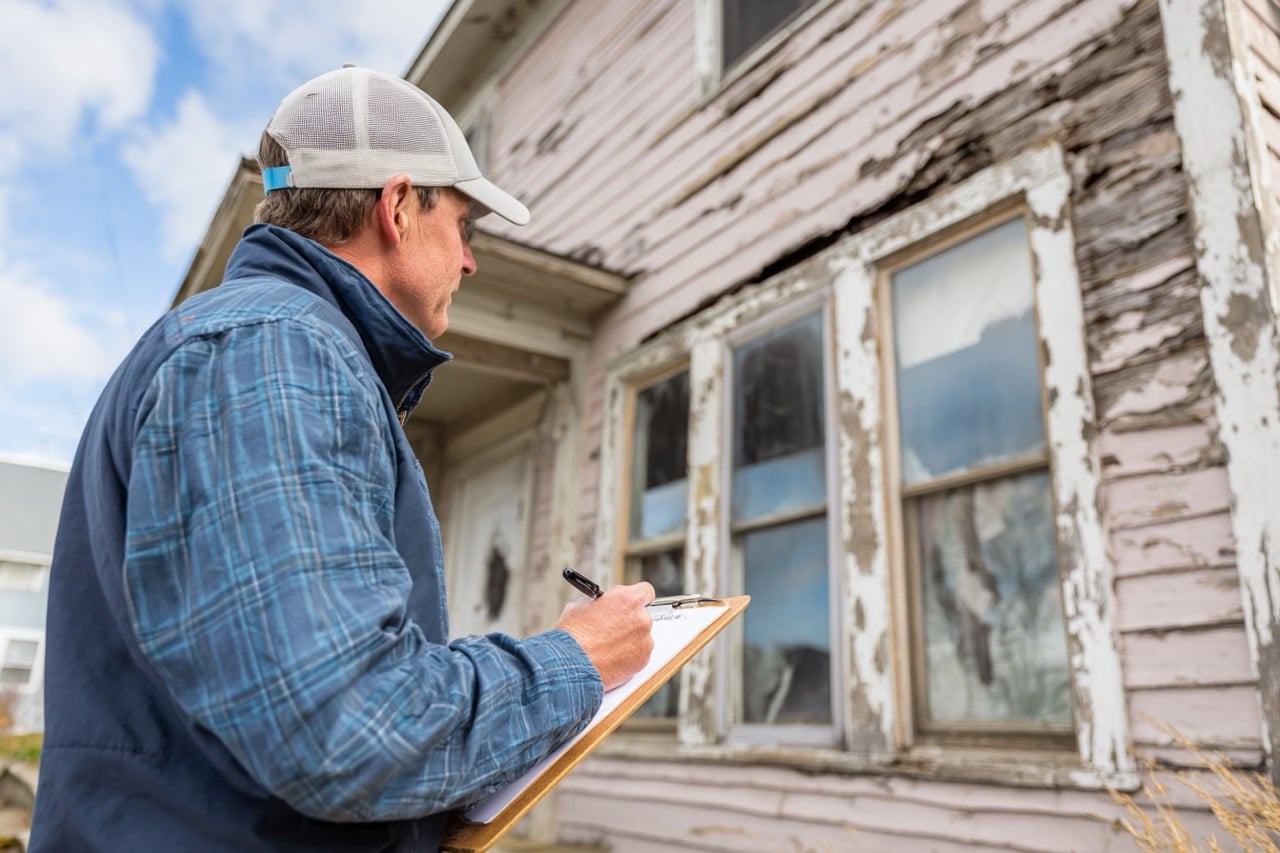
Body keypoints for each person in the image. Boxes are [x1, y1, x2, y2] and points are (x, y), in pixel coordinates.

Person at [29, 66, 655, 852]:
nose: (470, 261)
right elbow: (347, 728)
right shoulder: (272, 352)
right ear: (398, 207)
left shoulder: (262, 348)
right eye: (464, 226)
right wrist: (577, 659)